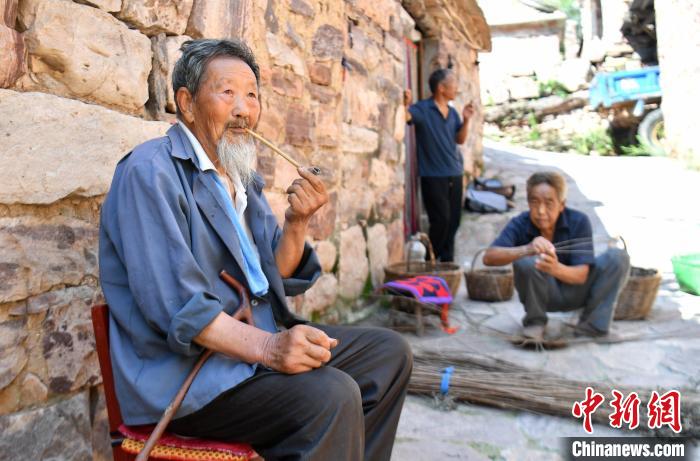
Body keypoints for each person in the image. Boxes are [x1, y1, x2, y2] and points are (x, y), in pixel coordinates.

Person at [99, 39, 412, 461]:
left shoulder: (240, 177)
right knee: (330, 395)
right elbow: (179, 306)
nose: (243, 109)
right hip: (191, 377)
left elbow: (271, 275)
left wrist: (298, 222)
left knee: (387, 356)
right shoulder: (149, 172)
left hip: (248, 352)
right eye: (227, 92)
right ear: (187, 104)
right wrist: (270, 349)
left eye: (252, 95)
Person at [482, 171, 630, 341]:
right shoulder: (520, 223)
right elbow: (489, 257)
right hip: (543, 295)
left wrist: (555, 268)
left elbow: (581, 276)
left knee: (617, 257)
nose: (541, 211)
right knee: (526, 261)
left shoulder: (578, 221)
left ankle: (593, 325)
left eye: (549, 203)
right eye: (534, 202)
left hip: (578, 292)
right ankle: (535, 323)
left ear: (562, 204)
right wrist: (526, 249)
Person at [403, 68, 474, 262]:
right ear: (442, 88)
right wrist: (405, 104)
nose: (457, 88)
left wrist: (466, 119)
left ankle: (447, 261)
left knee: (454, 221)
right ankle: (430, 259)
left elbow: (459, 139)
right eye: (453, 83)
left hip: (455, 171)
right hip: (432, 175)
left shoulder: (452, 113)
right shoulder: (423, 109)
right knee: (440, 220)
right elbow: (406, 116)